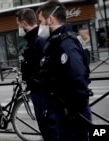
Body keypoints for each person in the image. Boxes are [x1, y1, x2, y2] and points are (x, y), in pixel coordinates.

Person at [37, 0, 92, 140]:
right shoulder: (58, 42)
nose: (40, 26)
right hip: (65, 111)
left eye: (41, 21)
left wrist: (73, 110)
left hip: (72, 115)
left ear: (50, 19)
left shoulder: (66, 44)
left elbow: (77, 76)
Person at [15, 8, 59, 141]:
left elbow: (51, 69)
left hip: (44, 95)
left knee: (51, 132)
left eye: (18, 24)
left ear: (24, 23)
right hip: (40, 93)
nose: (18, 28)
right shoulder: (34, 40)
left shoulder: (38, 41)